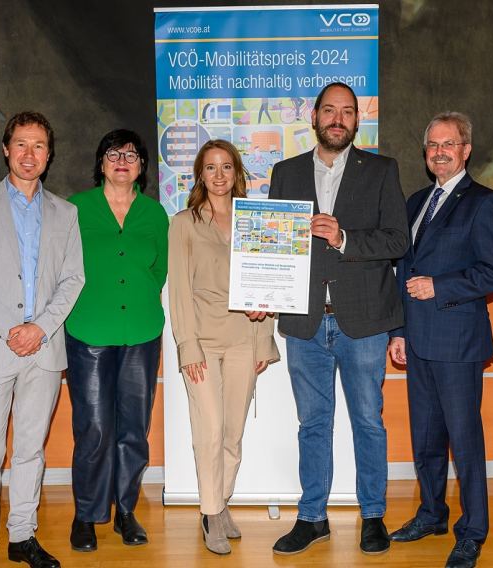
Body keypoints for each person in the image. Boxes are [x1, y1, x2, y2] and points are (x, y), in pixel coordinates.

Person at [269, 82, 409, 556]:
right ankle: (313, 518)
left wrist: (345, 238)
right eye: (329, 110)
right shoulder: (284, 172)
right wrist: (262, 292)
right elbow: (272, 249)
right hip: (305, 320)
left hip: (364, 321)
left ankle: (373, 515)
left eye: (347, 112)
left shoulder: (382, 171)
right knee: (313, 423)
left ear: (356, 120)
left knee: (368, 421)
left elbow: (398, 241)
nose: (337, 118)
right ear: (314, 116)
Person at [0, 111, 85, 568]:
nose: (30, 155)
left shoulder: (66, 214)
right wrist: (9, 330)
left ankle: (23, 536)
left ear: (49, 156)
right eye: (21, 145)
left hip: (44, 350)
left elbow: (73, 280)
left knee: (30, 449)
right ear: (6, 149)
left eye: (39, 147)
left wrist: (39, 329)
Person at [388, 112, 493, 568]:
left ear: (466, 150)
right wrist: (398, 332)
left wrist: (442, 285)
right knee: (425, 439)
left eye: (449, 144)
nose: (439, 151)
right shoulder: (416, 201)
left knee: (465, 440)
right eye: (433, 145)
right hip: (417, 342)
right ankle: (432, 514)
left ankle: (473, 530)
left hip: (458, 342)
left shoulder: (484, 202)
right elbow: (404, 271)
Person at [168, 139, 279, 555]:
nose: (218, 175)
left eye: (226, 167)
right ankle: (210, 513)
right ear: (200, 174)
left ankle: (222, 502)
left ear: (237, 174)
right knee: (209, 431)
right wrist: (187, 346)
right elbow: (178, 290)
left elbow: (269, 283)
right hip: (202, 342)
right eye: (210, 168)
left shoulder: (256, 221)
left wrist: (263, 339)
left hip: (244, 343)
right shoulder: (183, 223)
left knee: (232, 433)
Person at [64, 130, 168, 552]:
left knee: (133, 430)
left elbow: (157, 270)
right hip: (89, 330)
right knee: (94, 428)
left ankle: (125, 511)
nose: (121, 160)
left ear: (142, 165)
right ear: (101, 163)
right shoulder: (75, 208)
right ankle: (87, 515)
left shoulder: (155, 214)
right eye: (113, 153)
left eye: (130, 154)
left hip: (141, 332)